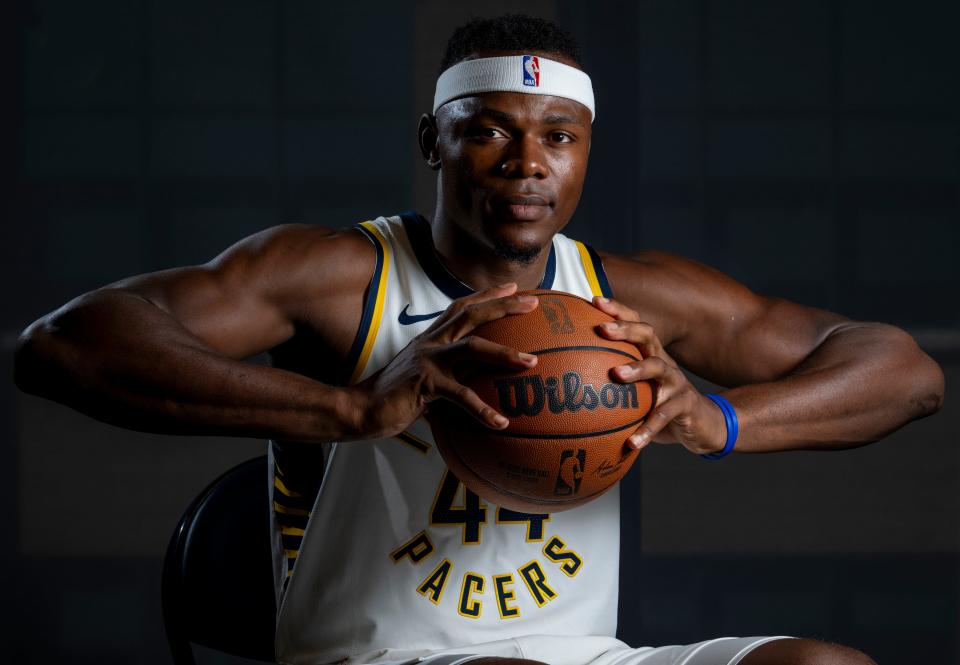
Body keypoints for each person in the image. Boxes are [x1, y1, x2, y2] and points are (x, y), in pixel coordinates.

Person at [14, 14, 943, 665]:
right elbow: (65, 342)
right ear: (433, 140)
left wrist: (719, 417)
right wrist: (354, 406)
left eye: (560, 136)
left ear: (585, 150)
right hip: (369, 656)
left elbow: (901, 370)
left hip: (585, 657)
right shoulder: (342, 278)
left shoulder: (625, 296)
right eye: (489, 131)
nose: (528, 163)